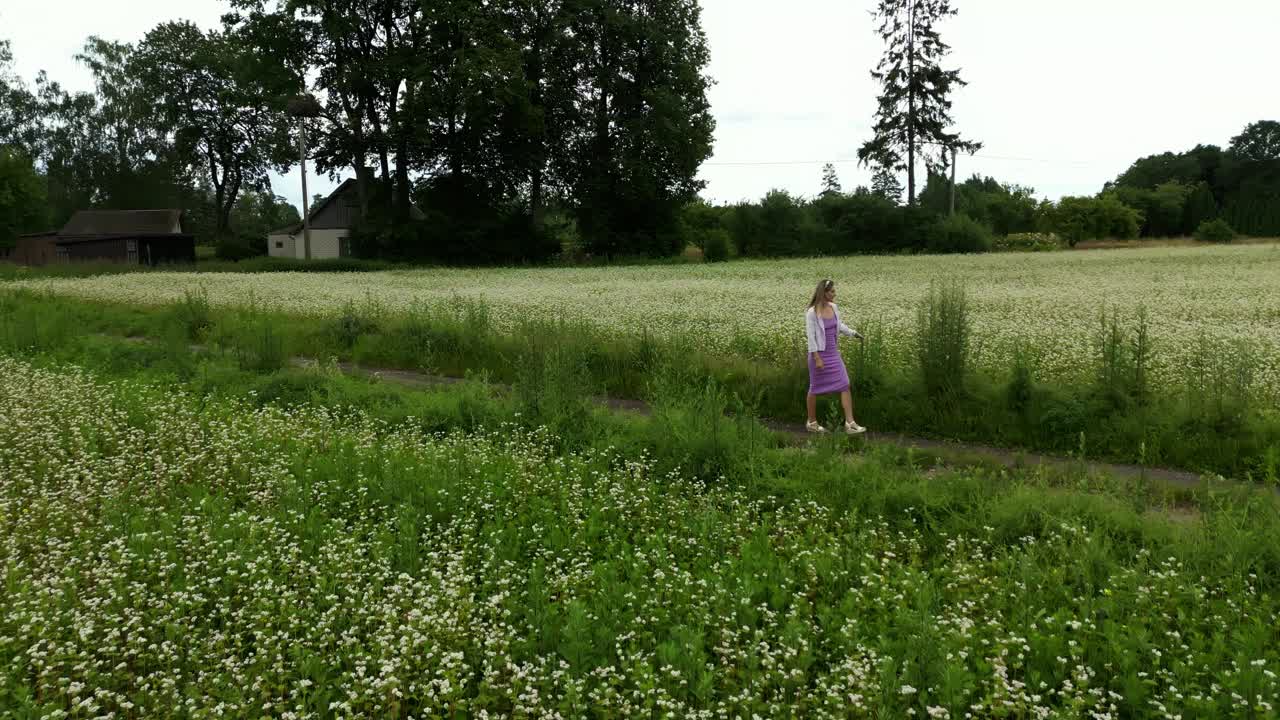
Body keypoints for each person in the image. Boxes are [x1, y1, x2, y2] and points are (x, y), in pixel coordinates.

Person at [804, 278, 866, 434]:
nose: (834, 294)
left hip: (833, 354)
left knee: (845, 384)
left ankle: (850, 423)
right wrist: (817, 358)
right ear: (823, 293)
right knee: (814, 388)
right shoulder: (812, 312)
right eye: (832, 291)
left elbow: (838, 326)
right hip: (819, 355)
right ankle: (811, 422)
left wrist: (853, 333)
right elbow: (810, 337)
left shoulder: (834, 307)